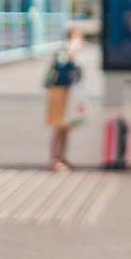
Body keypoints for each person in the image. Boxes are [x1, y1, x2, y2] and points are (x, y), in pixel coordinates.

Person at [44, 27, 83, 173]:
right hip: (59, 92)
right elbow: (61, 67)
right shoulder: (63, 53)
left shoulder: (76, 55)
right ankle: (55, 159)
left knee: (66, 127)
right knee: (59, 126)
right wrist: (71, 53)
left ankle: (62, 157)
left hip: (70, 94)